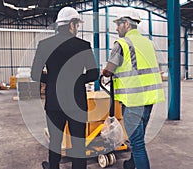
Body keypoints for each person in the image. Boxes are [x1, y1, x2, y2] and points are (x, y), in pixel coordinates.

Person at [31, 7, 99, 169]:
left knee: (55, 141)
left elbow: (35, 74)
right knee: (78, 143)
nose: (77, 28)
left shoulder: (44, 45)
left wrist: (54, 79)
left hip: (54, 103)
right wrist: (76, 79)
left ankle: (53, 166)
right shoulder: (83, 45)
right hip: (77, 103)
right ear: (72, 24)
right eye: (77, 24)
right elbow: (93, 74)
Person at [102, 7, 165, 169]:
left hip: (133, 100)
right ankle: (131, 164)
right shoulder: (148, 43)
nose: (116, 28)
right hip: (149, 98)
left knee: (137, 143)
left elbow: (109, 70)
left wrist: (104, 72)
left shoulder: (122, 44)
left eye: (118, 24)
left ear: (127, 24)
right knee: (138, 137)